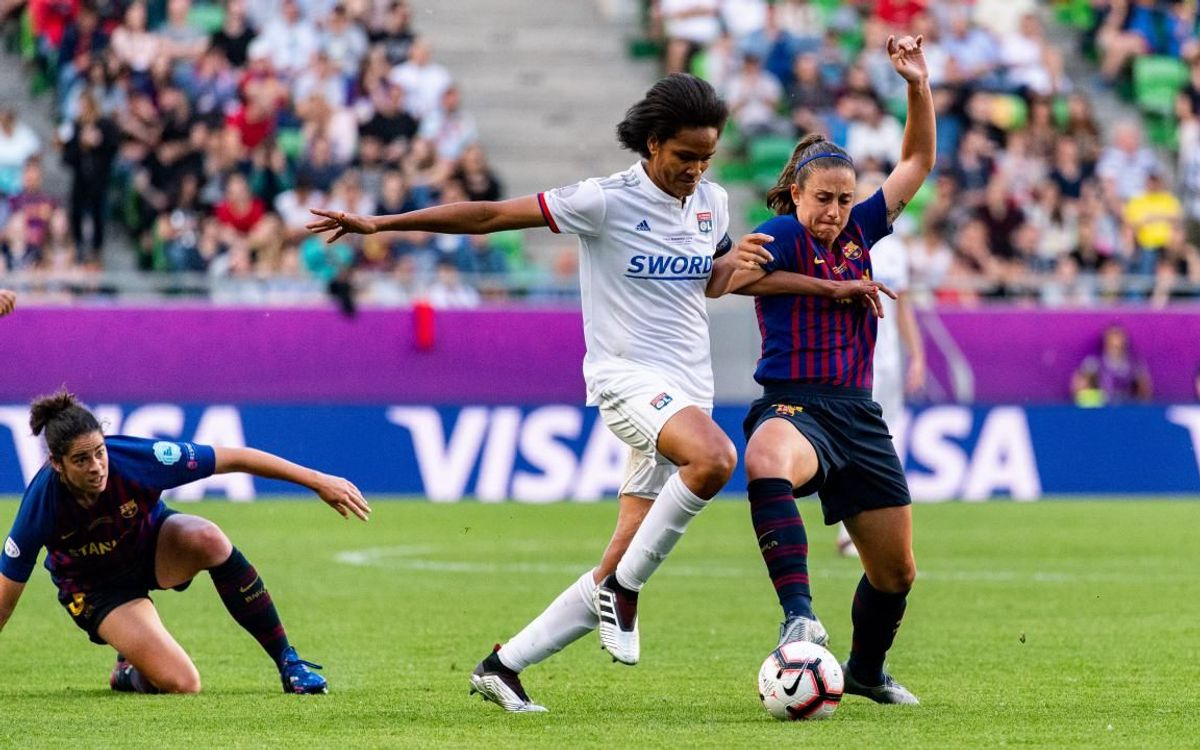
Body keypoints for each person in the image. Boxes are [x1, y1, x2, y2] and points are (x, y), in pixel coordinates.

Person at [308, 73, 885, 712]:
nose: (696, 170)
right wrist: (381, 223)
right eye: (685, 156)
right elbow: (492, 215)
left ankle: (503, 666)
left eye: (706, 158)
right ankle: (626, 592)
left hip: (686, 392)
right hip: (626, 378)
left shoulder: (712, 203)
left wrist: (769, 273)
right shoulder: (604, 201)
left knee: (621, 555)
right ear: (653, 144)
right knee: (716, 458)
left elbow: (711, 281)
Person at [726, 35, 935, 705]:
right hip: (795, 405)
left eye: (844, 200)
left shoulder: (861, 232)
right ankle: (799, 616)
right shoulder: (782, 233)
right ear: (796, 192)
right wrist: (830, 288)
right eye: (823, 198)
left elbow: (917, 161)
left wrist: (917, 85)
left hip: (858, 415)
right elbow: (726, 281)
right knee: (766, 458)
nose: (834, 212)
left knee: (896, 573)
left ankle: (867, 672)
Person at [0, 390, 370, 695]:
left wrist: (316, 480)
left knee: (208, 538)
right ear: (57, 464)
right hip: (98, 590)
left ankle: (288, 662)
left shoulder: (138, 460)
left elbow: (235, 458)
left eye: (99, 452)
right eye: (81, 460)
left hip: (149, 548)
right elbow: (6, 598)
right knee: (183, 683)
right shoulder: (41, 504)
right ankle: (128, 671)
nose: (96, 466)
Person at [834, 177, 926, 559]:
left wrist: (916, 355)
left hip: (887, 359)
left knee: (886, 436)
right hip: (854, 355)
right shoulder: (843, 241)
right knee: (851, 438)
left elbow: (902, 307)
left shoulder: (895, 249)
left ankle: (880, 524)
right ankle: (847, 528)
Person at [1070, 324, 1153, 404]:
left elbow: (1145, 390)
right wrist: (1092, 398)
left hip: (1126, 406)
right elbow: (1078, 388)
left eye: (1119, 336)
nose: (1115, 341)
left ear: (1125, 341)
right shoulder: (1094, 362)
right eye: (1112, 336)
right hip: (1101, 406)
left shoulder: (1134, 363)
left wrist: (1138, 402)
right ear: (1105, 340)